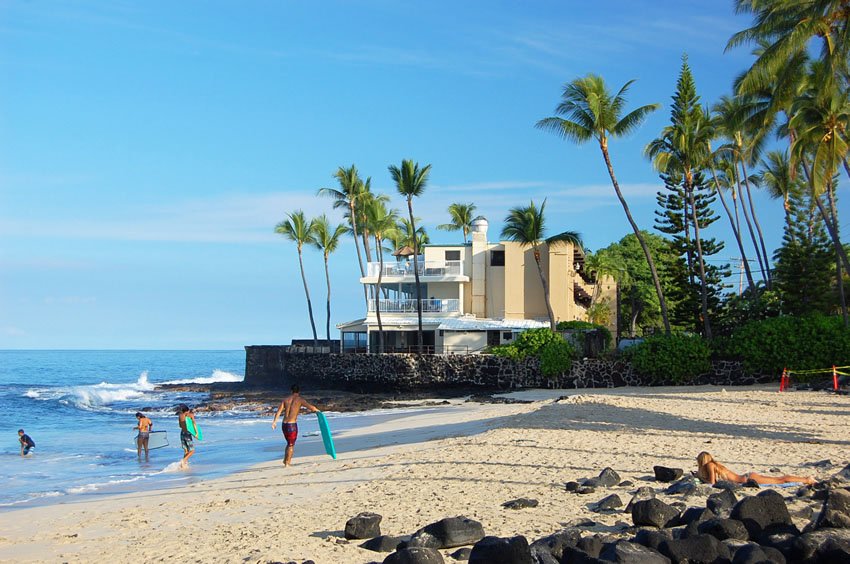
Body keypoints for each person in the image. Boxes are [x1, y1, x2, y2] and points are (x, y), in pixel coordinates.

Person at [696, 451, 815, 486]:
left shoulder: (710, 465)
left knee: (780, 480)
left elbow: (712, 483)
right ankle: (805, 479)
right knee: (778, 479)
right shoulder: (715, 464)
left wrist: (702, 480)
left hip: (746, 479)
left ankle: (806, 479)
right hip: (746, 477)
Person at [271, 384, 319, 466]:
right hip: (291, 425)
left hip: (284, 424)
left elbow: (278, 412)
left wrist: (274, 422)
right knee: (291, 445)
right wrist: (318, 412)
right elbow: (311, 408)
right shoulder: (300, 400)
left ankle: (285, 460)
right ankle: (287, 463)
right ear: (299, 391)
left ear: (291, 391)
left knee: (289, 443)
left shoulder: (286, 400)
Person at [177, 404, 196, 468]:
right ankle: (183, 461)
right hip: (187, 433)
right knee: (192, 451)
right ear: (187, 410)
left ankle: (183, 465)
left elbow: (180, 426)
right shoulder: (190, 415)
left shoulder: (180, 415)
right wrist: (196, 434)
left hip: (182, 432)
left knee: (186, 450)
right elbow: (194, 424)